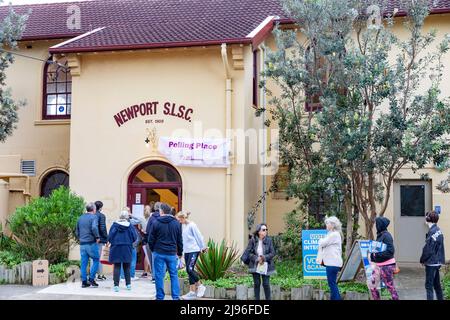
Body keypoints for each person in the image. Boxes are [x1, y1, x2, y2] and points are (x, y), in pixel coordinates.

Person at [148, 203, 183, 300]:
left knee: (159, 275)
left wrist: (153, 250)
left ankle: (160, 297)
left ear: (162, 211)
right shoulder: (176, 223)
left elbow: (151, 239)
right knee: (173, 275)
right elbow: (179, 240)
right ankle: (175, 297)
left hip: (158, 252)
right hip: (171, 253)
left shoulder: (156, 222)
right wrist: (180, 253)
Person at [176, 211, 208, 300]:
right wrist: (181, 253)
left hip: (194, 250)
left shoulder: (192, 225)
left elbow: (199, 236)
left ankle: (200, 285)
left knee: (189, 269)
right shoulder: (183, 226)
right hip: (187, 251)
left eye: (179, 220)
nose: (179, 222)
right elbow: (184, 240)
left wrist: (203, 247)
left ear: (183, 218)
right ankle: (192, 292)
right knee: (190, 270)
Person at [243, 223, 276, 300]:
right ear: (259, 231)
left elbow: (272, 253)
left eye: (266, 229)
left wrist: (263, 258)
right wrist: (257, 258)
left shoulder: (269, 240)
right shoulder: (253, 240)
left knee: (266, 284)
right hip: (255, 264)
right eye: (264, 230)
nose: (266, 231)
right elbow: (249, 252)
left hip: (266, 264)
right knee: (257, 284)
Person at [369, 216, 399, 300]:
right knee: (372, 286)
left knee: (390, 287)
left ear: (380, 225)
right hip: (378, 265)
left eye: (377, 224)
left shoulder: (387, 236)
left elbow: (390, 251)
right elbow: (376, 251)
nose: (376, 226)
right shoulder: (380, 236)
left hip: (387, 266)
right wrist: (372, 256)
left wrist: (376, 255)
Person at [108, 210, 138, 292]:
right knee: (127, 266)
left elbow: (110, 237)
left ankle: (116, 286)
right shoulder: (130, 226)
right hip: (127, 247)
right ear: (127, 217)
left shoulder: (114, 226)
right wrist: (129, 241)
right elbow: (135, 237)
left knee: (117, 266)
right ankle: (128, 285)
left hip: (116, 247)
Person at [420, 211, 445, 300]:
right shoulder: (438, 230)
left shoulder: (432, 232)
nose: (425, 218)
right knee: (436, 285)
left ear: (428, 219)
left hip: (431, 263)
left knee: (429, 286)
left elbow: (428, 249)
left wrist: (422, 259)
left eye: (426, 217)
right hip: (437, 261)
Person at [317, 216, 343, 300]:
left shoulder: (334, 235)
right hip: (333, 263)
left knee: (332, 284)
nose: (326, 225)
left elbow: (322, 243)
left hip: (332, 263)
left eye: (327, 223)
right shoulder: (333, 234)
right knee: (332, 283)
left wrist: (320, 240)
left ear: (332, 225)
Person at [75, 202, 101, 288]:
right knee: (96, 259)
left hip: (82, 244)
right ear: (94, 209)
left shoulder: (80, 218)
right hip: (91, 243)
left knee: (83, 263)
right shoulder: (94, 217)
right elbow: (94, 227)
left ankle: (84, 282)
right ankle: (92, 279)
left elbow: (76, 231)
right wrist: (97, 237)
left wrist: (80, 238)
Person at [146, 202, 161, 283]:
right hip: (161, 242)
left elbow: (148, 230)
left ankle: (154, 277)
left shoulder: (151, 218)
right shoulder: (162, 217)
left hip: (153, 242)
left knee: (154, 260)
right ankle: (161, 277)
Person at [94, 200, 108, 281]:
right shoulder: (101, 216)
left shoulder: (91, 215)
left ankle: (94, 274)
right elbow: (103, 228)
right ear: (101, 207)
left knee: (93, 257)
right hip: (100, 239)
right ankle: (100, 274)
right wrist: (106, 238)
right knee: (99, 257)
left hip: (92, 239)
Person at [141, 203, 153, 278]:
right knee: (150, 255)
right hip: (150, 236)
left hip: (144, 237)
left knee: (146, 255)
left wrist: (143, 230)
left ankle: (145, 271)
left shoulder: (142, 217)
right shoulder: (152, 217)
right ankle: (150, 270)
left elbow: (140, 227)